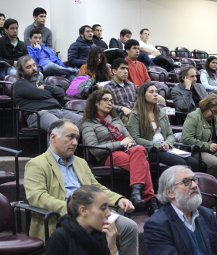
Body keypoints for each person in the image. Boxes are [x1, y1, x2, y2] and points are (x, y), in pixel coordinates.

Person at [24, 119, 139, 254]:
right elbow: (37, 197)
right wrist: (72, 209)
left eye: (77, 138)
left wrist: (118, 199)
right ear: (53, 137)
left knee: (129, 227)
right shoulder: (37, 164)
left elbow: (96, 188)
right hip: (65, 215)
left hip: (93, 211)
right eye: (70, 137)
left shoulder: (80, 162)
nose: (75, 142)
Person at [81, 90, 158, 215]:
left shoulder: (116, 120)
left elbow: (130, 139)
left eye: (111, 100)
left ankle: (136, 193)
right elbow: (94, 149)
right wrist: (120, 144)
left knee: (139, 150)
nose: (109, 103)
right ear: (96, 103)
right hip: (106, 155)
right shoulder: (88, 123)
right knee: (142, 163)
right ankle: (150, 200)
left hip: (127, 151)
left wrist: (129, 143)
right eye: (105, 100)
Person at [144, 165, 217, 255]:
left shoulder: (207, 215)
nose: (194, 186)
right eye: (186, 182)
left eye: (194, 180)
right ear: (170, 193)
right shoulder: (157, 225)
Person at [127, 82, 199, 170]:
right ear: (143, 95)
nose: (155, 94)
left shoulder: (162, 113)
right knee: (181, 163)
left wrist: (168, 143)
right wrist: (156, 145)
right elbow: (135, 138)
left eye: (156, 92)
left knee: (194, 163)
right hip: (150, 150)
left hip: (165, 148)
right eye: (151, 92)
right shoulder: (135, 114)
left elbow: (170, 134)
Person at [13, 55, 82, 131]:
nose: (34, 69)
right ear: (21, 72)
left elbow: (61, 92)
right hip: (39, 114)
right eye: (29, 67)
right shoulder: (19, 84)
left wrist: (45, 88)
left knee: (86, 123)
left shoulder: (41, 83)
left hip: (58, 110)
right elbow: (39, 94)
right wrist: (50, 93)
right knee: (61, 128)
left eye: (34, 65)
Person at [45, 185, 119, 255]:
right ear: (83, 211)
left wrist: (113, 248)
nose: (109, 213)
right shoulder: (60, 237)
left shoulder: (105, 235)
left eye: (108, 208)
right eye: (103, 208)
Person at [182, 94, 217, 182]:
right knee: (214, 162)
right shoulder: (193, 117)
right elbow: (186, 139)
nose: (214, 115)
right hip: (198, 151)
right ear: (205, 107)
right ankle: (208, 185)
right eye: (212, 111)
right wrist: (208, 146)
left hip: (216, 150)